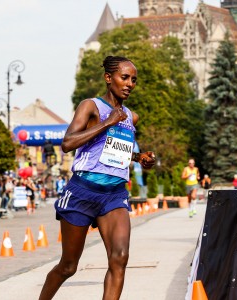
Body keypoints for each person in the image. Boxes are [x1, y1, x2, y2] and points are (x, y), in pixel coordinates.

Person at [39, 56, 156, 300]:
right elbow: (68, 143)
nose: (129, 84)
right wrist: (107, 122)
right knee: (68, 266)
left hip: (114, 195)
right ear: (108, 78)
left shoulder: (131, 117)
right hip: (82, 191)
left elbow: (114, 150)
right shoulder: (90, 106)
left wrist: (139, 157)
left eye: (133, 80)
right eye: (124, 77)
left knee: (119, 257)